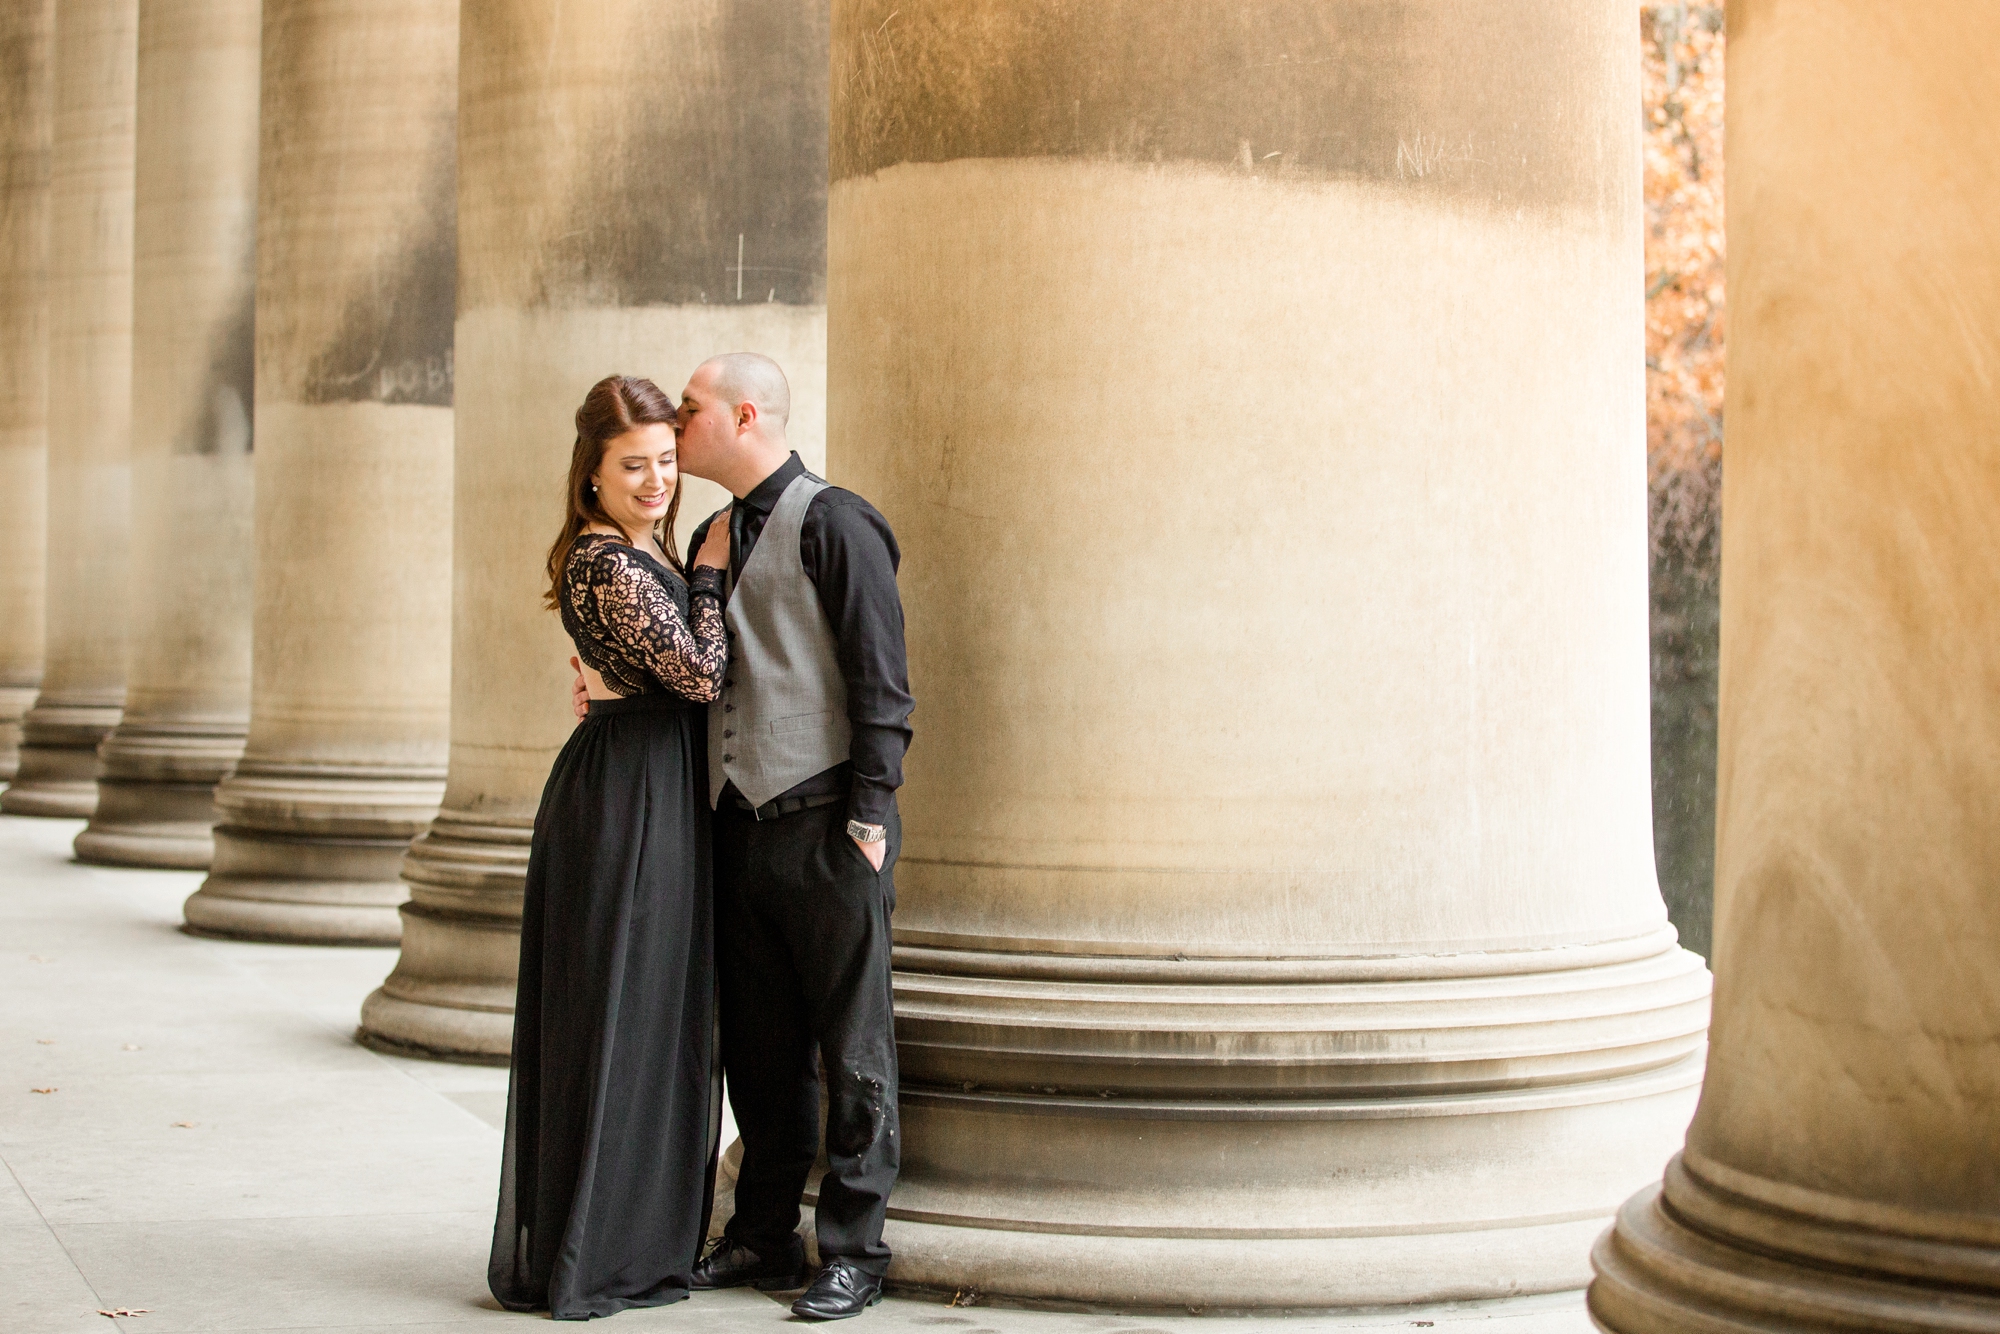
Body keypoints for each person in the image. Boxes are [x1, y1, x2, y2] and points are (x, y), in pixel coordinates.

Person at [571, 353, 914, 1320]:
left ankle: (854, 1251)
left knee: (853, 1052)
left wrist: (870, 816)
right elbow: (684, 663)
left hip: (825, 827)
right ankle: (763, 1234)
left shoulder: (839, 522)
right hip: (733, 830)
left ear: (744, 415)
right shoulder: (711, 532)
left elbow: (882, 687)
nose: (675, 428)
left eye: (689, 410)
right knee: (760, 1054)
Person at [492, 374, 734, 1320]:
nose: (657, 480)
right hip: (627, 802)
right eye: (633, 465)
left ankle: (613, 1237)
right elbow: (701, 672)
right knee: (622, 1011)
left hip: (640, 781)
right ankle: (599, 1251)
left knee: (638, 1010)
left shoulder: (634, 553)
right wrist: (709, 574)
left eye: (668, 461)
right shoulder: (613, 565)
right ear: (590, 473)